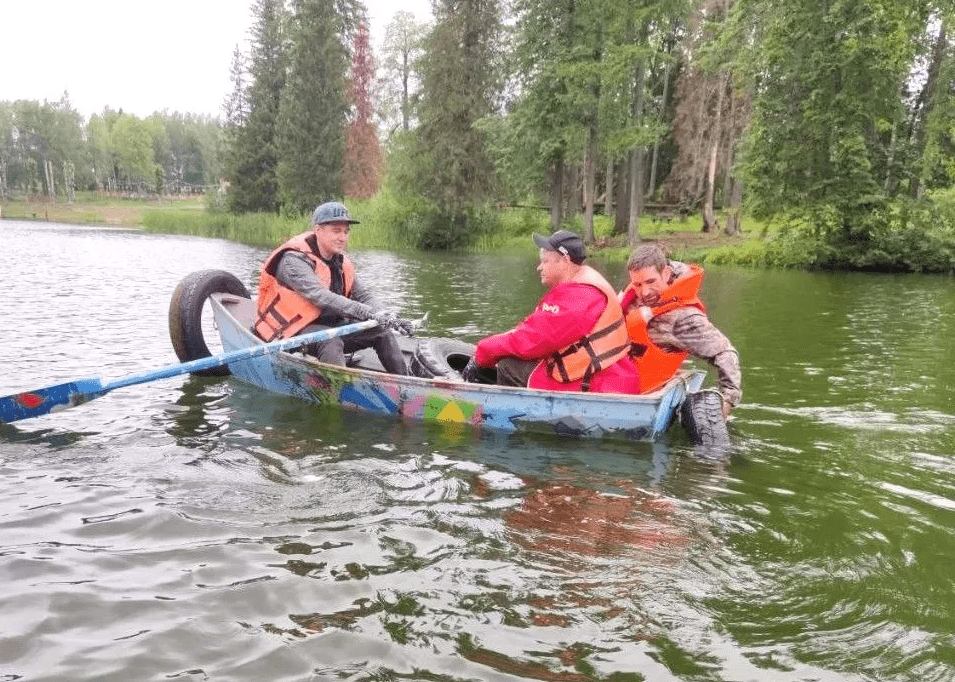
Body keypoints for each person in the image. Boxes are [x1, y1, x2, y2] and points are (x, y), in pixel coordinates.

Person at [461, 230, 641, 394]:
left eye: (545, 261)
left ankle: (511, 419)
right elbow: (533, 330)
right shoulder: (583, 284)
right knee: (511, 355)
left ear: (565, 259)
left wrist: (483, 352)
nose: (539, 267)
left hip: (600, 386)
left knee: (509, 365)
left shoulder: (579, 296)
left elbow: (532, 340)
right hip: (607, 377)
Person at [253, 201, 414, 374]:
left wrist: (387, 315)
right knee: (331, 340)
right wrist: (367, 312)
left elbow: (364, 295)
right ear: (318, 230)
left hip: (328, 327)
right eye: (336, 231)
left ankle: (406, 384)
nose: (342, 237)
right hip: (290, 332)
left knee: (381, 331)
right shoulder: (293, 261)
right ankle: (337, 392)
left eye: (346, 232)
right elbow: (320, 296)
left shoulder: (340, 261)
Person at [619, 243, 741, 417]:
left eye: (651, 282)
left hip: (644, 397)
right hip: (615, 381)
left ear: (666, 273)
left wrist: (727, 403)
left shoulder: (684, 318)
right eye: (637, 284)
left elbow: (725, 353)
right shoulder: (636, 299)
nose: (644, 292)